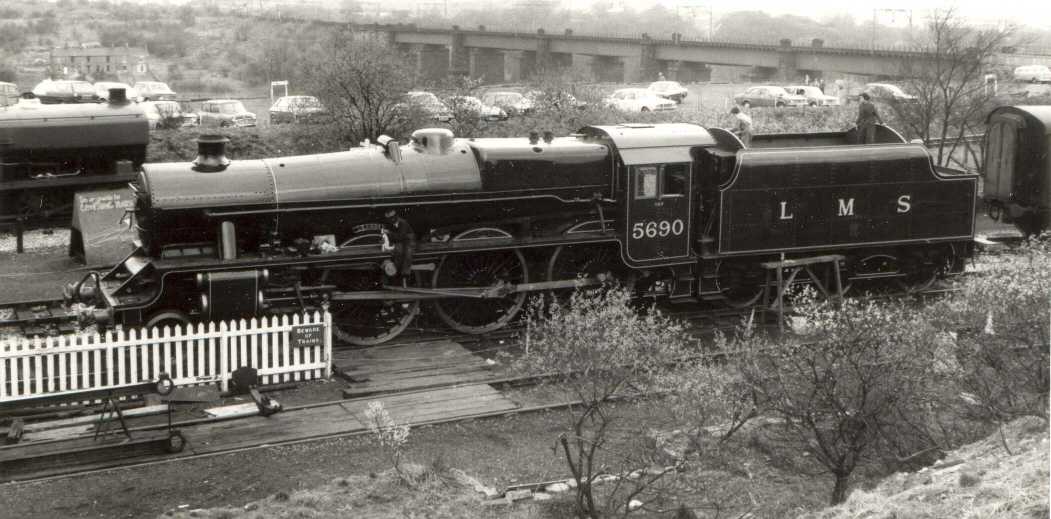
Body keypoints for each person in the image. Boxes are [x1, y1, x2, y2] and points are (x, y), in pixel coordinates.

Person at [381, 209, 415, 281]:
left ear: (395, 217)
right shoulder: (391, 224)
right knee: (398, 251)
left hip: (408, 240)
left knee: (408, 252)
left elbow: (400, 236)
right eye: (389, 219)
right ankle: (396, 271)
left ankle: (405, 273)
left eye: (391, 218)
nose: (390, 220)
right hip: (400, 241)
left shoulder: (403, 223)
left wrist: (389, 233)